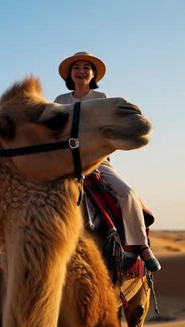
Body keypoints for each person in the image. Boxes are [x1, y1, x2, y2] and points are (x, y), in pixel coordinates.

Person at [55, 51, 161, 272]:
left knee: (128, 193)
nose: (81, 71)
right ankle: (18, 248)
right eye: (76, 67)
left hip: (97, 159)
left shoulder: (102, 99)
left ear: (93, 74)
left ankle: (141, 245)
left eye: (86, 67)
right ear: (70, 74)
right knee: (30, 192)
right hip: (65, 161)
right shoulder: (60, 102)